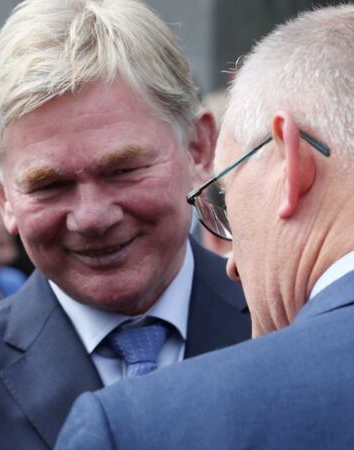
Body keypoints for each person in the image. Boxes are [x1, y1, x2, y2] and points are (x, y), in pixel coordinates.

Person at [0, 1, 250, 449]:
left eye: (123, 170)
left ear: (198, 149)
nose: (92, 217)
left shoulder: (295, 323)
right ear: (4, 198)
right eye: (50, 185)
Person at [56, 4, 354, 449]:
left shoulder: (140, 426)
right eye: (51, 185)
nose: (231, 264)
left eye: (226, 198)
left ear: (291, 165)